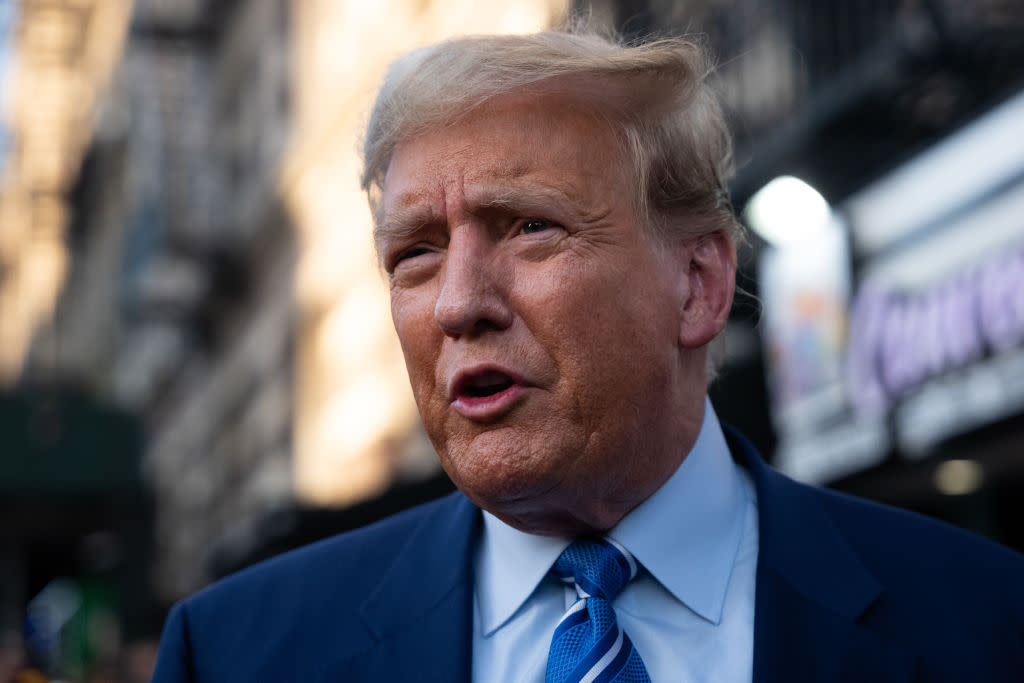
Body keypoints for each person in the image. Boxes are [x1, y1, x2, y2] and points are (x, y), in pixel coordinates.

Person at [151, 29, 1024, 682]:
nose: (458, 303)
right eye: (415, 252)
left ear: (698, 282)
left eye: (530, 227)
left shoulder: (985, 620)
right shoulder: (237, 652)